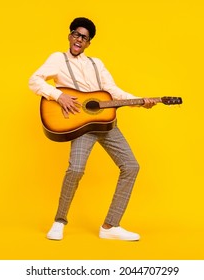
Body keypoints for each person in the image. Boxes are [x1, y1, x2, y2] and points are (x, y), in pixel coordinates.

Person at [29, 17, 156, 241]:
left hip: (106, 123)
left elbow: (113, 91)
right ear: (69, 35)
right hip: (80, 125)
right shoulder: (58, 59)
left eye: (84, 38)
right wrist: (58, 95)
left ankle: (110, 226)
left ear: (89, 43)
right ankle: (59, 221)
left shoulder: (97, 64)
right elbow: (34, 80)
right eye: (76, 34)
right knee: (76, 169)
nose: (79, 40)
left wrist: (140, 101)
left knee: (131, 166)